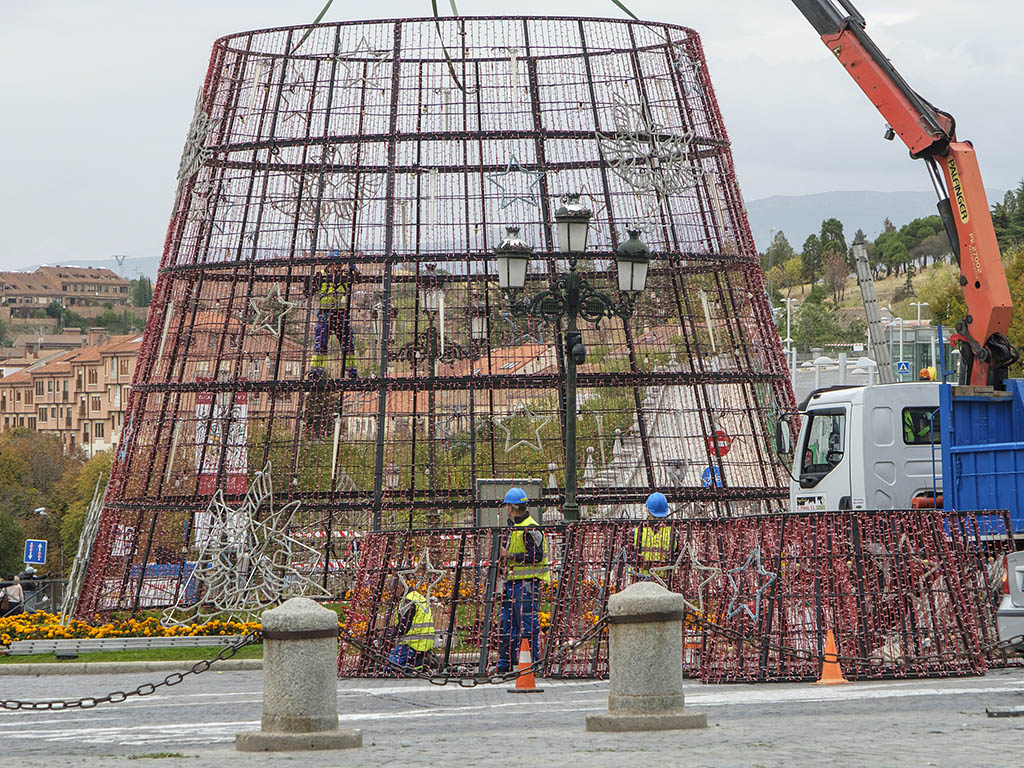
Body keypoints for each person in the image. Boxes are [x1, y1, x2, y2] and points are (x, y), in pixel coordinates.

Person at [495, 487, 550, 674]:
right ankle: (505, 663)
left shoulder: (530, 527)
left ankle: (531, 664)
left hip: (527, 584)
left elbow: (536, 556)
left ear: (511, 507)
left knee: (527, 625)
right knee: (507, 624)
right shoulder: (513, 527)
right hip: (512, 583)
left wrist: (510, 555)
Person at [307, 259, 356, 380]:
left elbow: (358, 278)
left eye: (342, 264)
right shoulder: (320, 276)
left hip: (341, 313)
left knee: (348, 344)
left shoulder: (345, 275)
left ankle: (352, 372)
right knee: (321, 343)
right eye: (338, 263)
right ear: (331, 263)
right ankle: (316, 372)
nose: (340, 266)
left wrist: (353, 268)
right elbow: (308, 291)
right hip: (325, 313)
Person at [386, 580, 436, 672]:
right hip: (424, 641)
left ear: (399, 588)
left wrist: (388, 633)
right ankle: (420, 664)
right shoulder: (417, 596)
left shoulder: (408, 602)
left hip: (412, 642)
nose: (392, 595)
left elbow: (403, 627)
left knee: (388, 667)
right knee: (409, 668)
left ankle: (420, 663)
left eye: (392, 592)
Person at [628, 492, 676, 579]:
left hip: (640, 580)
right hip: (664, 580)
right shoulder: (673, 532)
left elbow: (628, 556)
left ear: (648, 509)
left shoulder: (636, 531)